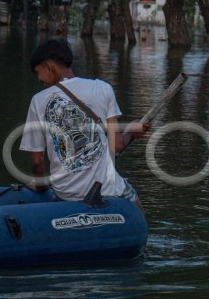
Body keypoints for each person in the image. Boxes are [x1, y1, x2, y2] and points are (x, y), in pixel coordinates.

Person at [20, 39, 148, 205]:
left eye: (38, 72)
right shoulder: (102, 88)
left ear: (49, 66)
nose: (39, 79)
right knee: (135, 201)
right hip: (107, 190)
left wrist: (41, 185)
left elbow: (37, 161)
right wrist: (131, 131)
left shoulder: (37, 101)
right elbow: (116, 146)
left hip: (65, 194)